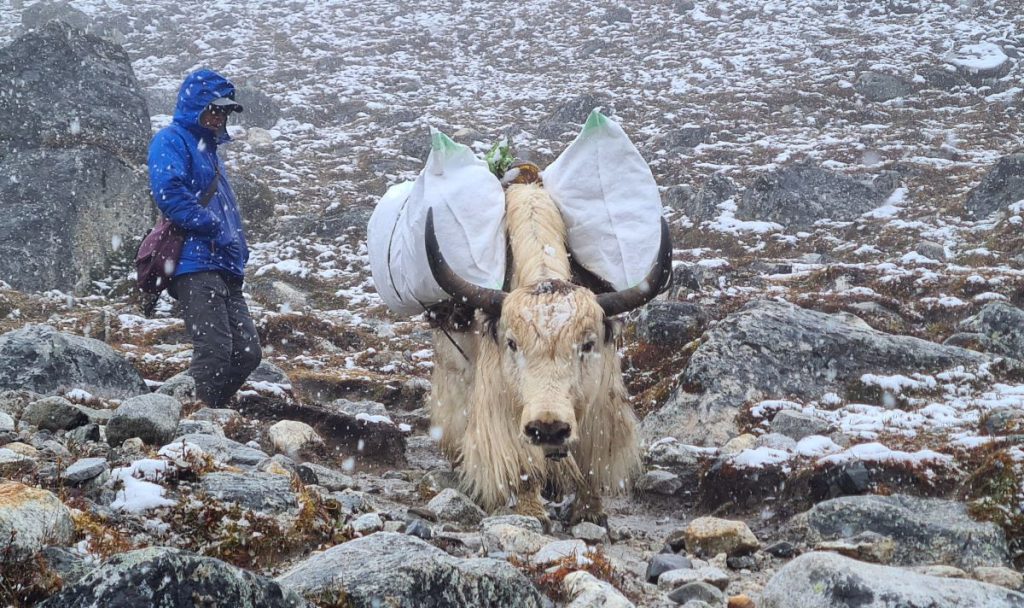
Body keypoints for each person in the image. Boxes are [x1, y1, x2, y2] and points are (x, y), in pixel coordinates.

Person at [147, 69, 261, 407]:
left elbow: (222, 209)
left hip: (224, 265)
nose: (219, 117)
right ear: (195, 106)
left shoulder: (209, 152)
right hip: (195, 264)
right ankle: (192, 420)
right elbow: (169, 193)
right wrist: (213, 228)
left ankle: (204, 410)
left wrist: (238, 247)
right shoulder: (172, 139)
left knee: (247, 352)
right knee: (214, 350)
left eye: (225, 111)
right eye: (214, 109)